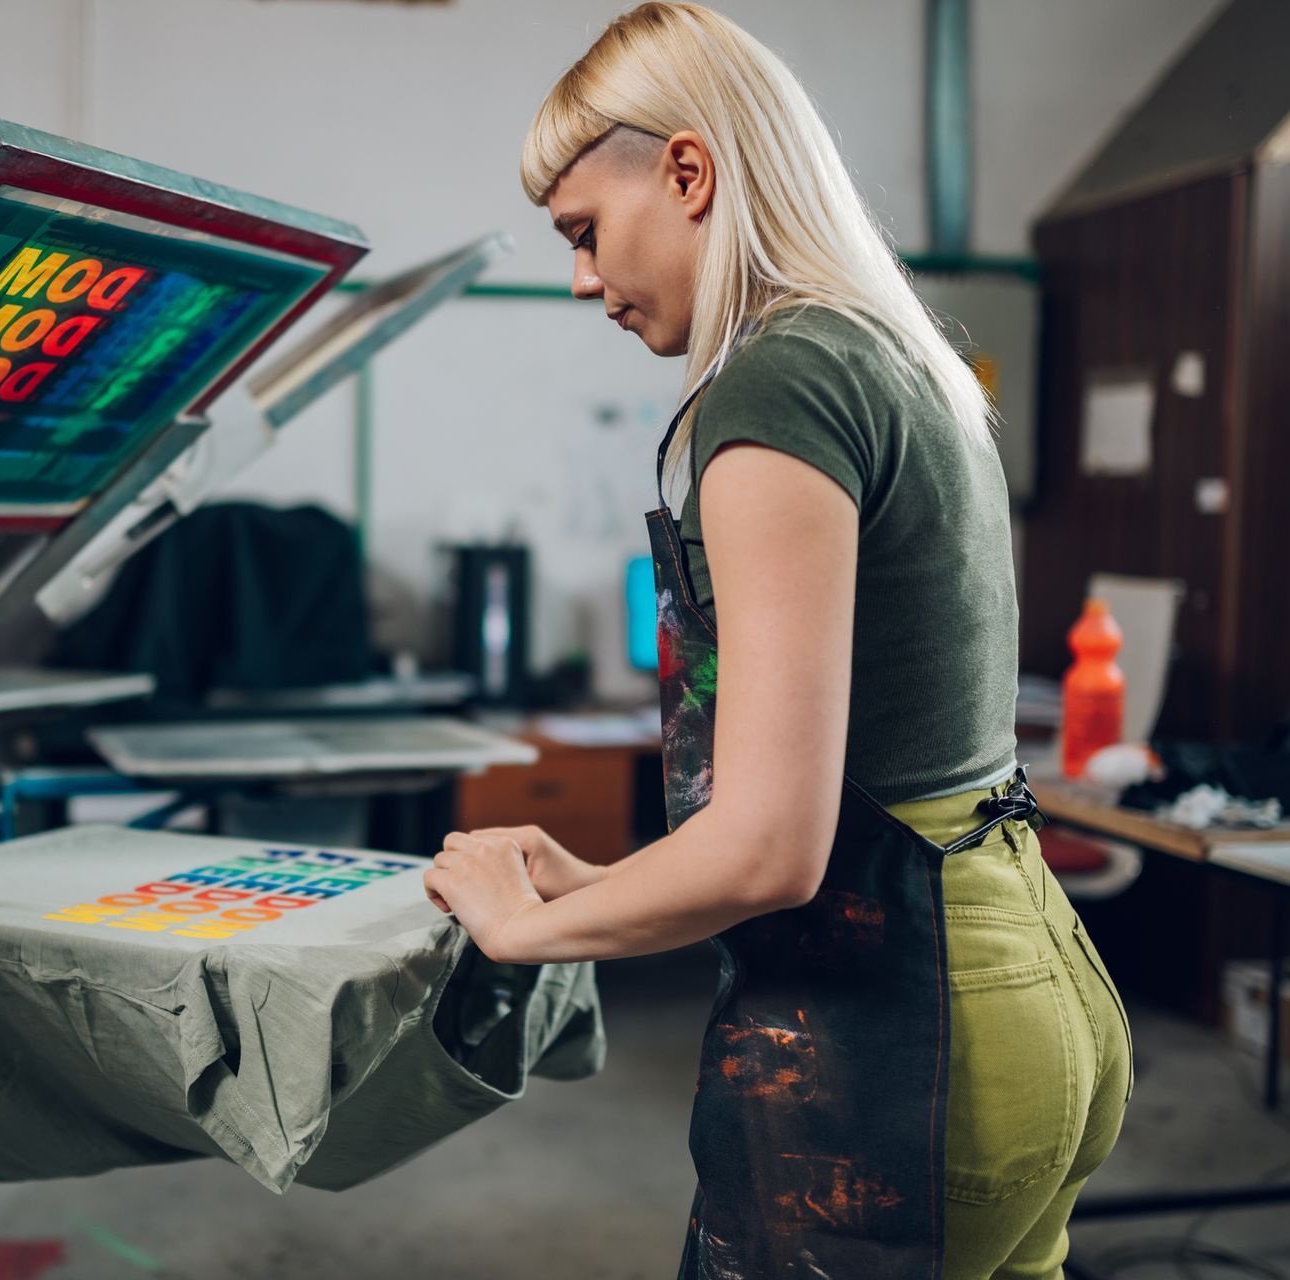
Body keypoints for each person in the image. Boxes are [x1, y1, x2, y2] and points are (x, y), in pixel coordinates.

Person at [419, 5, 1131, 1277]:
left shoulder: (776, 384)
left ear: (688, 172)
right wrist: (596, 880)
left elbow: (770, 849)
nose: (581, 277)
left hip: (911, 1034)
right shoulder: (902, 358)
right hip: (1030, 982)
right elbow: (856, 772)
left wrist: (524, 930)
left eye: (585, 232)